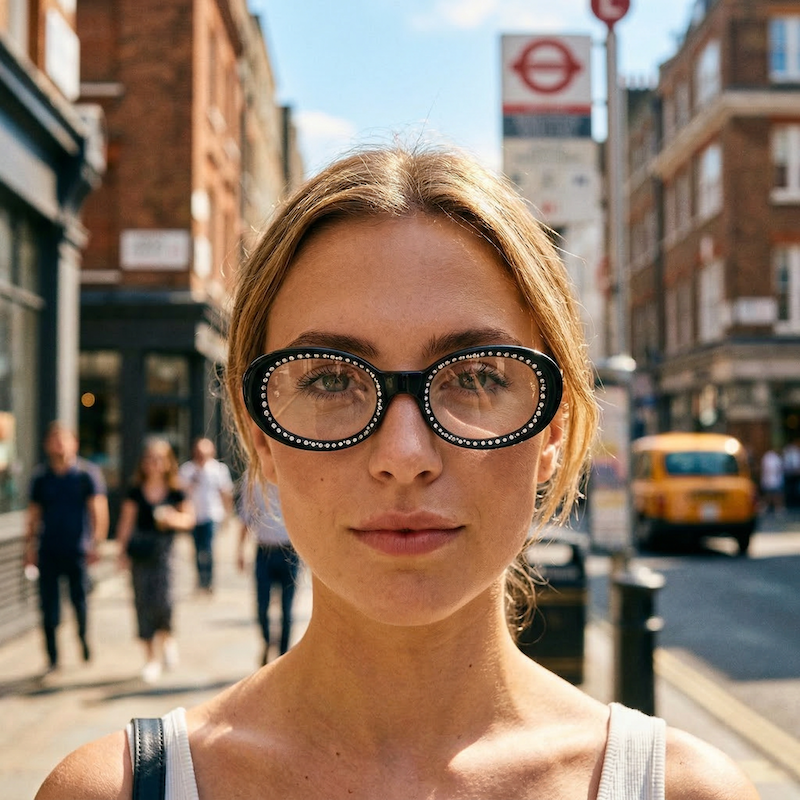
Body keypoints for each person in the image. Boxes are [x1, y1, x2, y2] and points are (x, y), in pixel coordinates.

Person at [36, 146, 759, 799]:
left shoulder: (685, 793)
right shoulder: (115, 791)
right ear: (260, 436)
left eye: (475, 377)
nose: (405, 456)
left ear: (554, 429)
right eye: (328, 381)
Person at [24, 422, 108, 673]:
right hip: (48, 550)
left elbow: (98, 510)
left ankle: (83, 640)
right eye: (54, 439)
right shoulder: (41, 478)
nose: (59, 444)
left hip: (77, 550)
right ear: (47, 444)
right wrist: (29, 548)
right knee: (48, 607)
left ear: (75, 443)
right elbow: (33, 515)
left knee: (79, 602)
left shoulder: (86, 474)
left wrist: (97, 543)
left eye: (64, 439)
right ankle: (52, 657)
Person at [115, 437, 195, 683]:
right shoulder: (135, 490)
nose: (154, 463)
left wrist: (172, 518)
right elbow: (126, 524)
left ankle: (167, 638)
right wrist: (121, 553)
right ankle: (151, 658)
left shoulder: (176, 490)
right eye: (150, 459)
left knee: (166, 601)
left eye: (159, 459)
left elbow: (189, 519)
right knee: (142, 604)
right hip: (141, 555)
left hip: (165, 555)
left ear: (168, 462)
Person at [237, 479, 300, 665]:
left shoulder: (292, 472)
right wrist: (240, 550)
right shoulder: (252, 479)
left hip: (289, 551)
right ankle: (266, 641)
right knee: (261, 605)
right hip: (264, 551)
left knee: (287, 609)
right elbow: (245, 517)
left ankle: (283, 656)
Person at [179, 437, 234, 593]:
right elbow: (179, 493)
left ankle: (208, 581)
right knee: (196, 550)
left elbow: (226, 493)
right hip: (193, 517)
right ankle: (200, 580)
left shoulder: (219, 470)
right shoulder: (187, 470)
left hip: (212, 515)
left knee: (208, 550)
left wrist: (227, 516)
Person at [760, 447, 784, 514]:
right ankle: (771, 507)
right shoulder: (768, 457)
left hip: (774, 479)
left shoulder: (774, 457)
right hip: (770, 479)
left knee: (776, 494)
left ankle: (778, 507)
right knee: (769, 495)